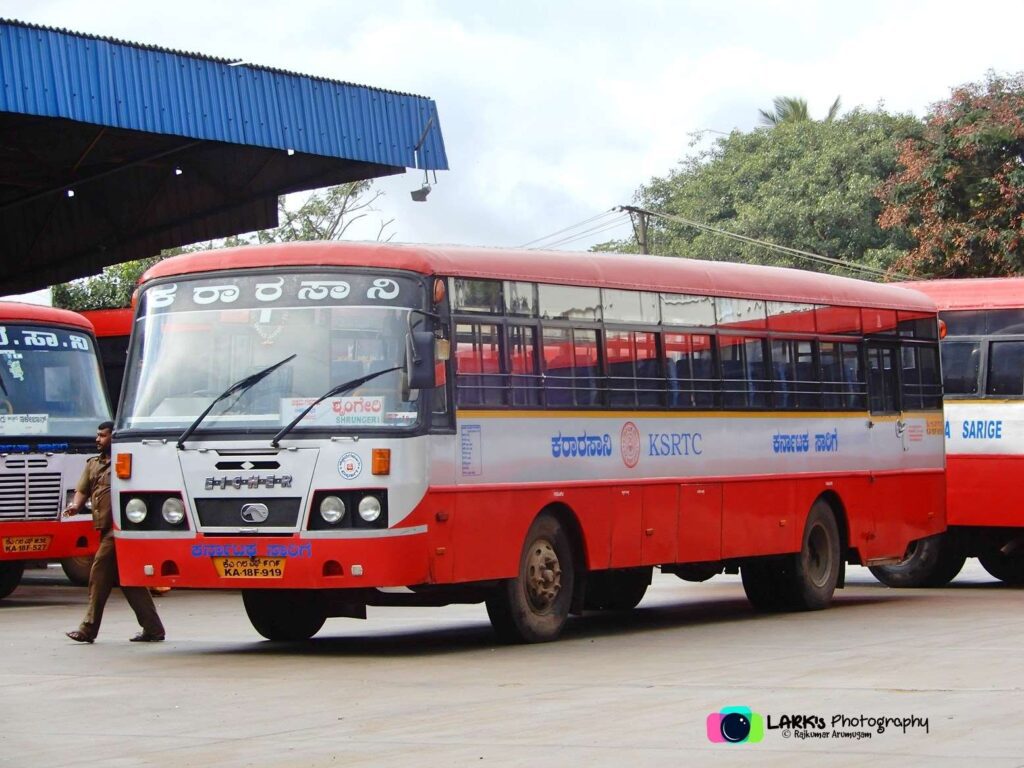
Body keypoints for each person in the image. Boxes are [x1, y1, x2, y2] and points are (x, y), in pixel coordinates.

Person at [64, 422, 165, 643]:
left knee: (98, 576)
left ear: (114, 437)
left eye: (102, 436)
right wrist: (75, 506)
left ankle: (88, 629)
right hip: (104, 529)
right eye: (97, 435)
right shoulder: (92, 465)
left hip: (120, 530)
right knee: (130, 582)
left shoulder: (127, 462)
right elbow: (82, 490)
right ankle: (154, 629)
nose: (98, 439)